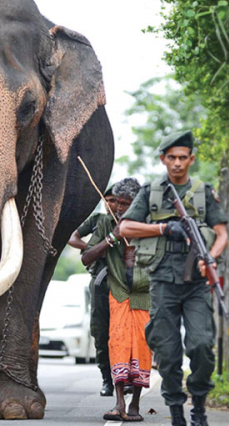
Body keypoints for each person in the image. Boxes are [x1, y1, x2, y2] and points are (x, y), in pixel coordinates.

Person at [120, 130, 229, 426]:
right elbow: (126, 228)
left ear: (191, 159)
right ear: (163, 159)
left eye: (183, 158)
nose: (178, 163)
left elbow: (221, 234)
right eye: (172, 158)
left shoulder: (204, 192)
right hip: (163, 282)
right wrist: (163, 229)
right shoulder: (151, 192)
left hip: (196, 284)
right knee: (168, 352)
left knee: (202, 346)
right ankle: (177, 410)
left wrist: (212, 259)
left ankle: (200, 409)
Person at [81, 178, 149, 421]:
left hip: (143, 294)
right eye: (117, 203)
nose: (119, 208)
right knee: (117, 342)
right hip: (117, 290)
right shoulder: (104, 222)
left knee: (141, 346)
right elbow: (86, 257)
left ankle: (135, 406)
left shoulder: (149, 222)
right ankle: (119, 403)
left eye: (125, 203)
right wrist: (113, 237)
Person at [68, 185, 117, 397]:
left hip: (125, 281)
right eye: (108, 200)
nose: (111, 205)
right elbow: (73, 237)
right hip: (100, 281)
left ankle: (129, 377)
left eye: (116, 200)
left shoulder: (130, 222)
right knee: (100, 332)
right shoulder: (98, 220)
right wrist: (92, 248)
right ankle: (107, 380)